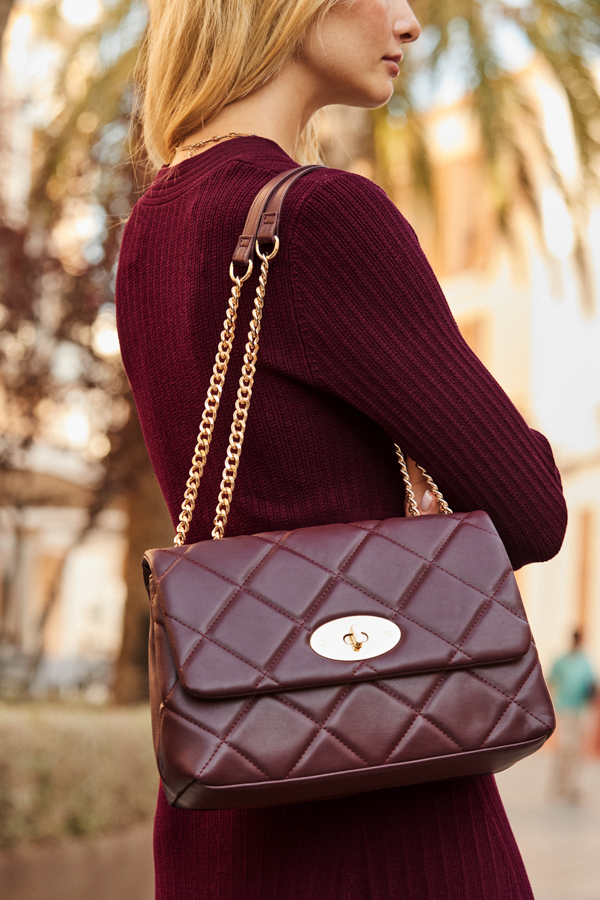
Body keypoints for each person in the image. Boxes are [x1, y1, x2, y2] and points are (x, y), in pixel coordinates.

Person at [115, 1, 568, 897]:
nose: (411, 22)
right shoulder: (324, 215)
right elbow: (531, 511)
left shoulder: (151, 226)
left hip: (223, 798)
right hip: (380, 800)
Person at [549, 631, 596, 803]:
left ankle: (572, 786)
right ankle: (558, 785)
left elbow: (592, 685)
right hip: (566, 709)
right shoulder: (561, 660)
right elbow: (551, 681)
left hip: (581, 711)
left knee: (577, 750)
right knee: (565, 748)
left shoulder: (585, 661)